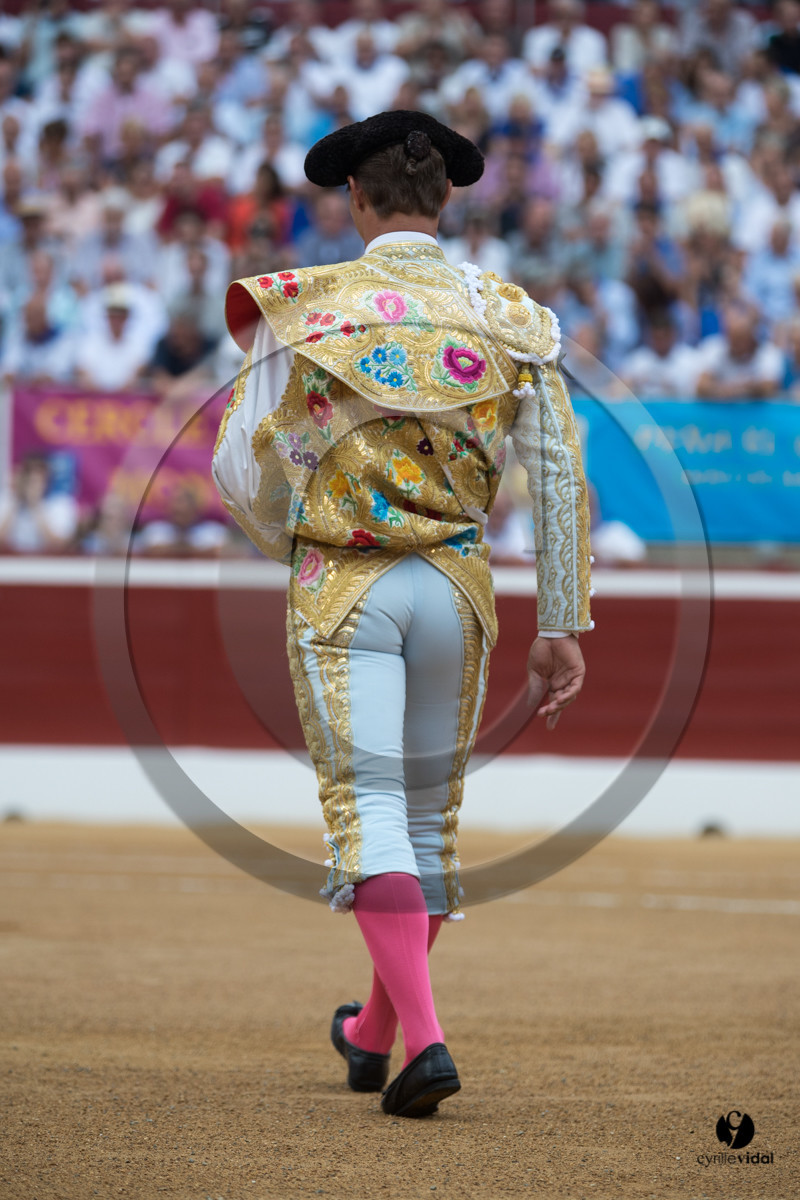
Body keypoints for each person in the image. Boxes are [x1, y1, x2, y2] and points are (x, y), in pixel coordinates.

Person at [212, 111, 592, 1118]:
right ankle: (372, 1032)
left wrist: (292, 535)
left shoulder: (307, 306)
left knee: (371, 814)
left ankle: (422, 1039)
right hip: (457, 591)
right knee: (425, 827)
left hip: (345, 583)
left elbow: (241, 466)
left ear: (355, 199)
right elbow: (557, 474)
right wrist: (561, 621)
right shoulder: (507, 313)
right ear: (446, 201)